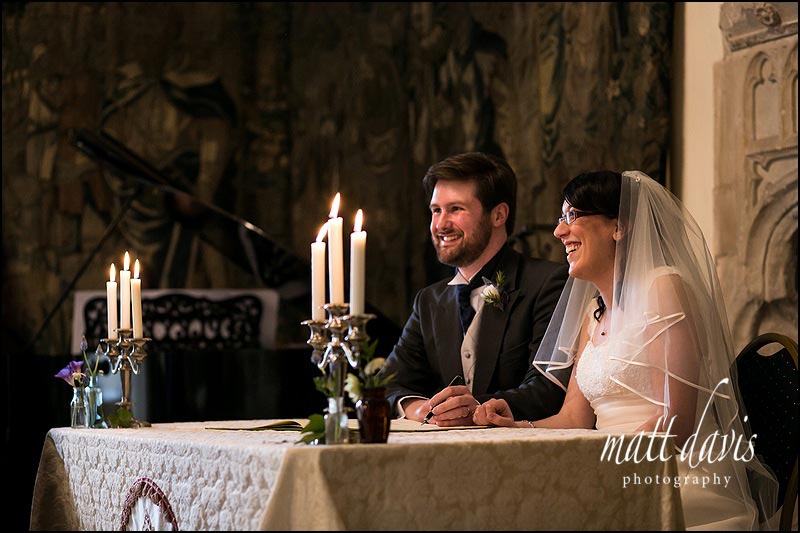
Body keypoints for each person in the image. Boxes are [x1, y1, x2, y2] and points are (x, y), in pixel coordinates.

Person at [473, 170, 778, 530]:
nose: (558, 232)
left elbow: (676, 423)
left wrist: (598, 468)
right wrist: (516, 425)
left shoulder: (664, 288)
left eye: (572, 216)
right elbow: (573, 418)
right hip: (612, 466)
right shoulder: (594, 313)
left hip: (672, 477)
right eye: (560, 218)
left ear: (618, 226)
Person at [384, 152, 568, 426]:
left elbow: (547, 388)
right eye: (436, 210)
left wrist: (476, 409)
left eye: (456, 209)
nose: (440, 224)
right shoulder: (429, 301)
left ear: (498, 215)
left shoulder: (548, 283)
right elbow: (387, 384)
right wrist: (419, 409)